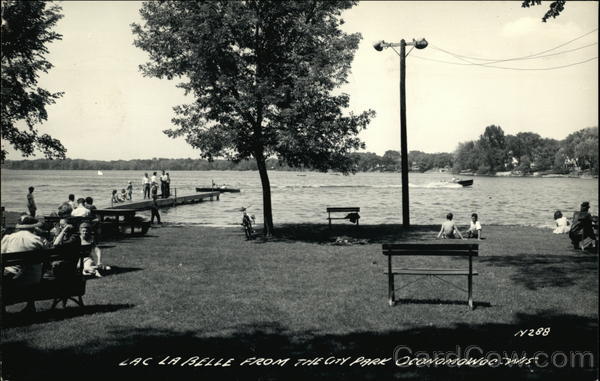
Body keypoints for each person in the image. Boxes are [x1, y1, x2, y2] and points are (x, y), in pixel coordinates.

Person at [1, 216, 49, 313]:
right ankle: (30, 306)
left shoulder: (9, 238)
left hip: (12, 278)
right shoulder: (38, 240)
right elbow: (46, 259)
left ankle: (2, 308)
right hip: (34, 278)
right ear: (33, 227)